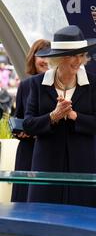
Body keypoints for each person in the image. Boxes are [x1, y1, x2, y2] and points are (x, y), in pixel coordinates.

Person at [23, 25, 96, 208]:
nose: (78, 61)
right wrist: (53, 116)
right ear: (59, 59)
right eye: (73, 55)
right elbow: (28, 124)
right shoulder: (37, 84)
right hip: (46, 165)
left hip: (82, 164)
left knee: (84, 219)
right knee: (43, 218)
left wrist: (74, 115)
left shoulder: (92, 83)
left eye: (82, 55)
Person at [11, 39, 50, 202]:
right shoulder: (25, 85)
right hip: (27, 151)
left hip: (48, 150)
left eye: (51, 56)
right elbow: (18, 118)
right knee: (22, 198)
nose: (46, 61)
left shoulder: (61, 85)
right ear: (33, 59)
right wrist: (20, 133)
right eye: (41, 56)